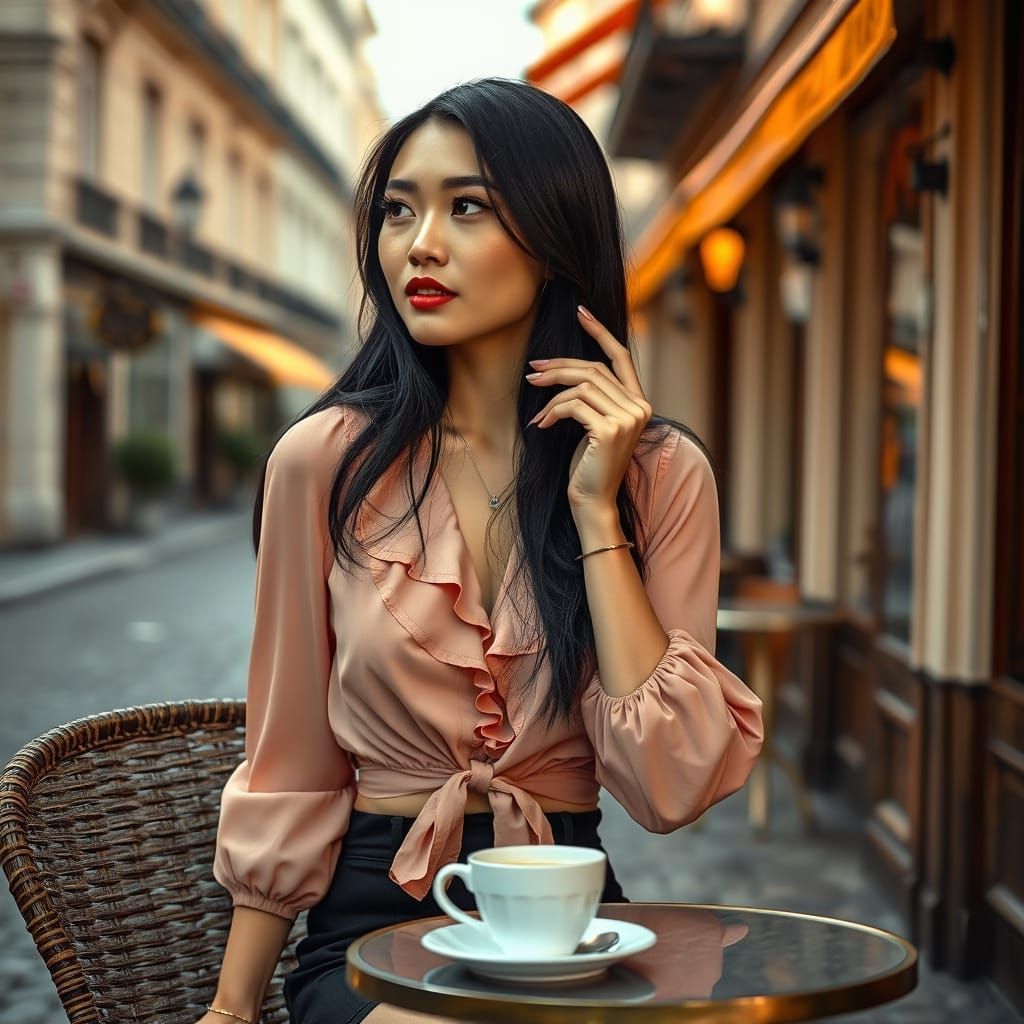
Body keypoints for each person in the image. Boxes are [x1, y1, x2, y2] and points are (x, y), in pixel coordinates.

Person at [197, 77, 764, 1024]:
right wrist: (230, 1006)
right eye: (398, 211)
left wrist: (596, 516)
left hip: (571, 917)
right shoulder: (322, 462)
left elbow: (669, 785)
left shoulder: (661, 477)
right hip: (376, 918)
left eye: (468, 208)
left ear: (554, 237)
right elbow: (290, 756)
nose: (420, 244)